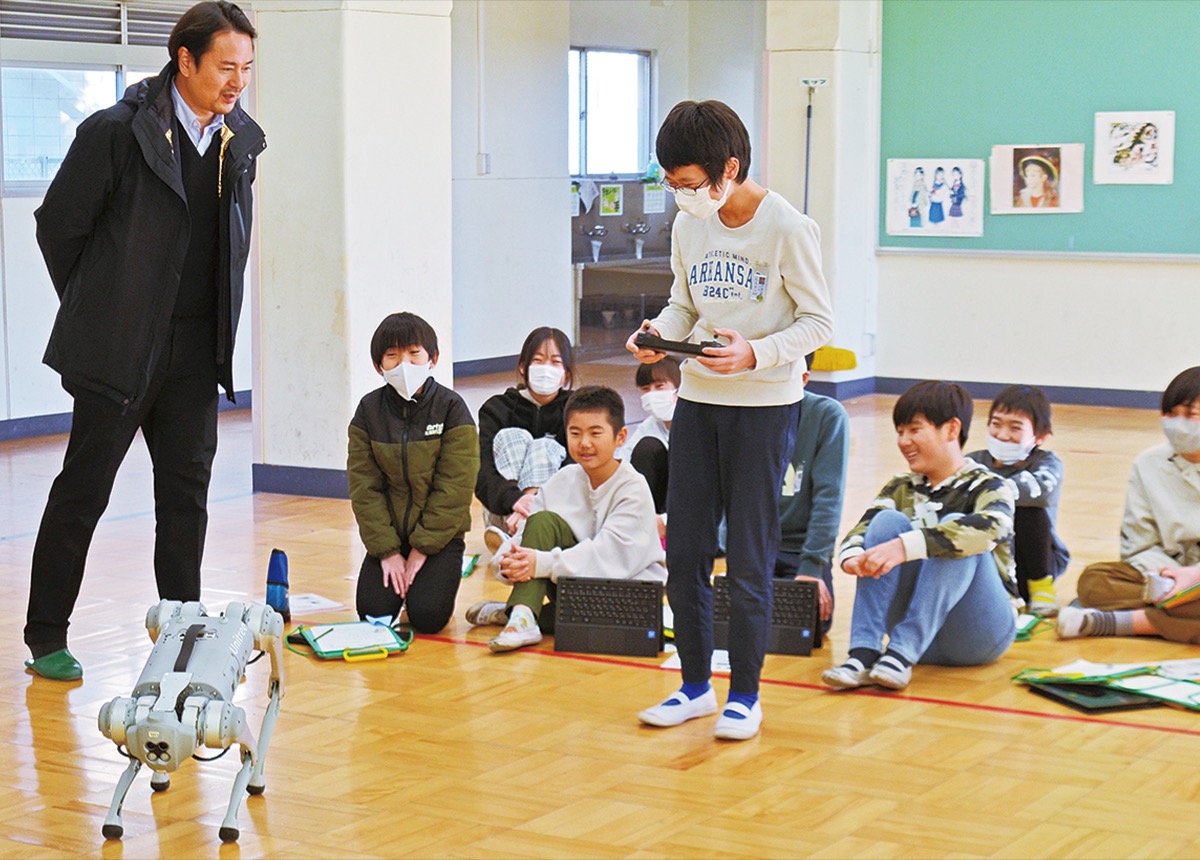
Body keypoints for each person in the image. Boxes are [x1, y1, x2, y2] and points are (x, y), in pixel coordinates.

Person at [23, 1, 264, 681]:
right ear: (184, 60)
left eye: (247, 68)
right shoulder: (115, 132)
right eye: (225, 66)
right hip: (120, 349)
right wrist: (105, 309)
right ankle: (46, 635)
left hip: (196, 350)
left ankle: (182, 631)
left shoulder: (239, 142)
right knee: (84, 491)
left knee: (186, 496)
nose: (238, 81)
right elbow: (58, 227)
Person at [628, 100, 833, 741]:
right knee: (686, 551)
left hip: (765, 408)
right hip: (699, 402)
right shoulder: (689, 226)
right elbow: (683, 305)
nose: (681, 195)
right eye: (672, 183)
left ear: (730, 169)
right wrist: (658, 335)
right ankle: (694, 686)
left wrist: (756, 353)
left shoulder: (788, 227)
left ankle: (745, 695)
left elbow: (819, 322)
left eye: (690, 183)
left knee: (748, 557)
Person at [822, 381, 1019, 693]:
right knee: (887, 521)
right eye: (900, 432)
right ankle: (863, 654)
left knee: (957, 529)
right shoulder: (901, 486)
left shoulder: (991, 485)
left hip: (977, 635)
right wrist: (854, 556)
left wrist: (906, 547)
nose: (904, 441)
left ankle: (902, 653)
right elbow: (863, 528)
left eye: (914, 430)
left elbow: (993, 527)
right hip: (919, 641)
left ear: (952, 429)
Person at [466, 386, 666, 652]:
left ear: (620, 437)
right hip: (573, 585)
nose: (584, 443)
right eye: (575, 433)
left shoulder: (633, 488)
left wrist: (540, 563)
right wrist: (507, 562)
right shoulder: (563, 479)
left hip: (626, 592)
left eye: (595, 433)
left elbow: (606, 559)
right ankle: (523, 617)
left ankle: (516, 612)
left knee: (603, 620)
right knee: (543, 521)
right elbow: (526, 533)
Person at [348, 313, 479, 634]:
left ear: (433, 358)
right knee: (372, 612)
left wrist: (421, 549)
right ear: (379, 365)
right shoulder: (368, 412)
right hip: (390, 536)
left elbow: (455, 489)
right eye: (392, 355)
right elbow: (364, 489)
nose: (404, 363)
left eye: (414, 353)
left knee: (428, 617)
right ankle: (400, 582)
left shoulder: (451, 408)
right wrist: (388, 552)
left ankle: (425, 587)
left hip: (439, 538)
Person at [1060, 367, 1200, 643]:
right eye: (1170, 414)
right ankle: (1176, 616)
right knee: (1093, 582)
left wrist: (1195, 576)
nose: (1178, 423)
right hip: (1163, 576)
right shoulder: (1148, 464)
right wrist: (1168, 579)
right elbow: (1138, 545)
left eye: (1190, 414)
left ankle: (1128, 622)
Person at [966, 385, 1068, 616]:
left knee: (1027, 509)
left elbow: (1038, 490)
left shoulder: (1047, 463)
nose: (1002, 435)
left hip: (1030, 563)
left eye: (1015, 428)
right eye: (996, 424)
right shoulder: (973, 462)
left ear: (1040, 436)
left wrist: (983, 490)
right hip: (989, 558)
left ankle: (1041, 587)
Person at [475, 327, 574, 543]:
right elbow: (483, 470)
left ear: (566, 374)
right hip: (504, 512)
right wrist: (516, 500)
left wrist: (534, 500)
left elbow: (576, 465)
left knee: (545, 446)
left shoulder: (576, 409)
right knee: (512, 437)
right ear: (523, 367)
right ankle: (515, 533)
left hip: (555, 511)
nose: (546, 369)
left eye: (555, 362)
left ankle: (523, 534)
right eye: (538, 360)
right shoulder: (496, 408)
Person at [774, 354, 849, 635]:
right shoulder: (745, 413)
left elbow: (829, 497)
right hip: (754, 551)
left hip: (800, 551)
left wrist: (812, 567)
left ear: (804, 378)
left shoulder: (827, 415)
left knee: (805, 626)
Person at [617, 355, 681, 540]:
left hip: (687, 507)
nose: (652, 394)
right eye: (646, 389)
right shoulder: (650, 426)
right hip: (655, 506)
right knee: (647, 447)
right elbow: (624, 463)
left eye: (659, 387)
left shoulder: (697, 424)